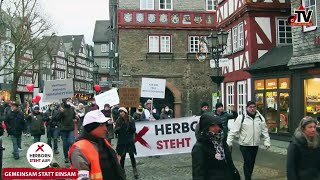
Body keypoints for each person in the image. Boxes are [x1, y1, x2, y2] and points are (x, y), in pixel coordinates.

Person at [68, 110, 126, 180]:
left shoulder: (103, 141)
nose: (105, 129)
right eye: (101, 125)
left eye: (105, 125)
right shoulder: (79, 149)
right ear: (90, 128)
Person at [227, 101, 270, 180]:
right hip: (244, 144)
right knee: (248, 161)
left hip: (255, 144)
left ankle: (248, 176)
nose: (252, 108)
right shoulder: (241, 118)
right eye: (250, 107)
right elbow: (233, 131)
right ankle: (248, 178)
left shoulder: (260, 118)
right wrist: (229, 142)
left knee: (252, 162)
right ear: (247, 108)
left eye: (254, 107)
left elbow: (264, 130)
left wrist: (266, 141)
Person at [192, 113, 239, 180]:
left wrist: (235, 175)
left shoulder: (222, 141)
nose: (217, 128)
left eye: (218, 125)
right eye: (213, 126)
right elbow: (198, 172)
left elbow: (229, 162)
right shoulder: (200, 147)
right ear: (206, 127)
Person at [115, 107, 138, 179]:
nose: (121, 113)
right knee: (123, 156)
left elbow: (134, 130)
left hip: (129, 140)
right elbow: (115, 131)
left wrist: (130, 125)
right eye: (120, 112)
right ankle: (122, 171)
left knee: (132, 156)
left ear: (125, 112)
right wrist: (120, 128)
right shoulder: (118, 120)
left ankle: (135, 170)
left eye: (122, 112)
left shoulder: (131, 119)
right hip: (122, 141)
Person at [57, 98, 78, 163]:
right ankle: (66, 157)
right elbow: (57, 118)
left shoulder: (72, 108)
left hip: (71, 128)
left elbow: (74, 117)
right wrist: (61, 113)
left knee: (71, 142)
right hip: (63, 129)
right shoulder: (61, 108)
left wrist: (76, 117)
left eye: (69, 100)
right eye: (67, 100)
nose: (69, 101)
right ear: (64, 101)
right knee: (65, 144)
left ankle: (71, 155)